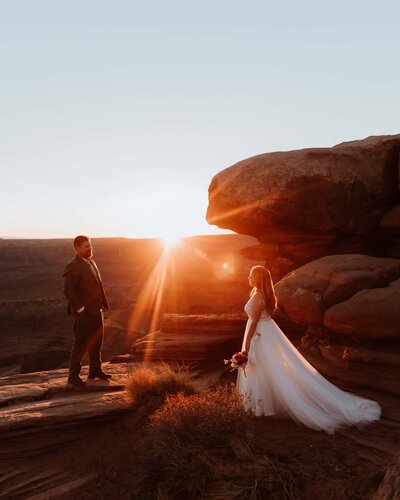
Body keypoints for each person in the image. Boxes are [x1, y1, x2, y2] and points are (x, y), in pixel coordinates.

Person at [237, 265, 381, 434]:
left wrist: (246, 347)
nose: (248, 277)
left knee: (264, 368)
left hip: (260, 335)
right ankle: (261, 405)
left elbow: (254, 322)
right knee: (267, 369)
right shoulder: (259, 294)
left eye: (251, 275)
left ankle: (261, 406)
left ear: (258, 278)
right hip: (266, 332)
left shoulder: (257, 297)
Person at [63, 235, 111, 388]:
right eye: (85, 246)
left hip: (96, 310)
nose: (90, 248)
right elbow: (68, 290)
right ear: (77, 248)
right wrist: (80, 308)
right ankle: (73, 376)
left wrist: (101, 304)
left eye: (90, 245)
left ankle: (95, 370)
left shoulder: (91, 263)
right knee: (81, 345)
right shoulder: (73, 266)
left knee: (97, 343)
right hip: (84, 313)